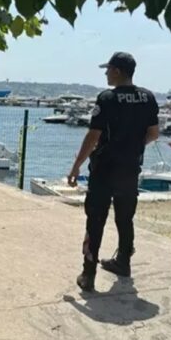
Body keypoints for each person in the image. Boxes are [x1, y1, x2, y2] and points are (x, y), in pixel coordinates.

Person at [67, 52, 160, 292]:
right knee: (125, 218)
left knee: (95, 220)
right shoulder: (148, 98)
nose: (106, 74)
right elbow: (153, 134)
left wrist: (76, 165)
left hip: (105, 169)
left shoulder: (107, 98)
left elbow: (93, 135)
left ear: (117, 71)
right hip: (130, 169)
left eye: (108, 70)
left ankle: (88, 273)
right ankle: (123, 262)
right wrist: (133, 146)